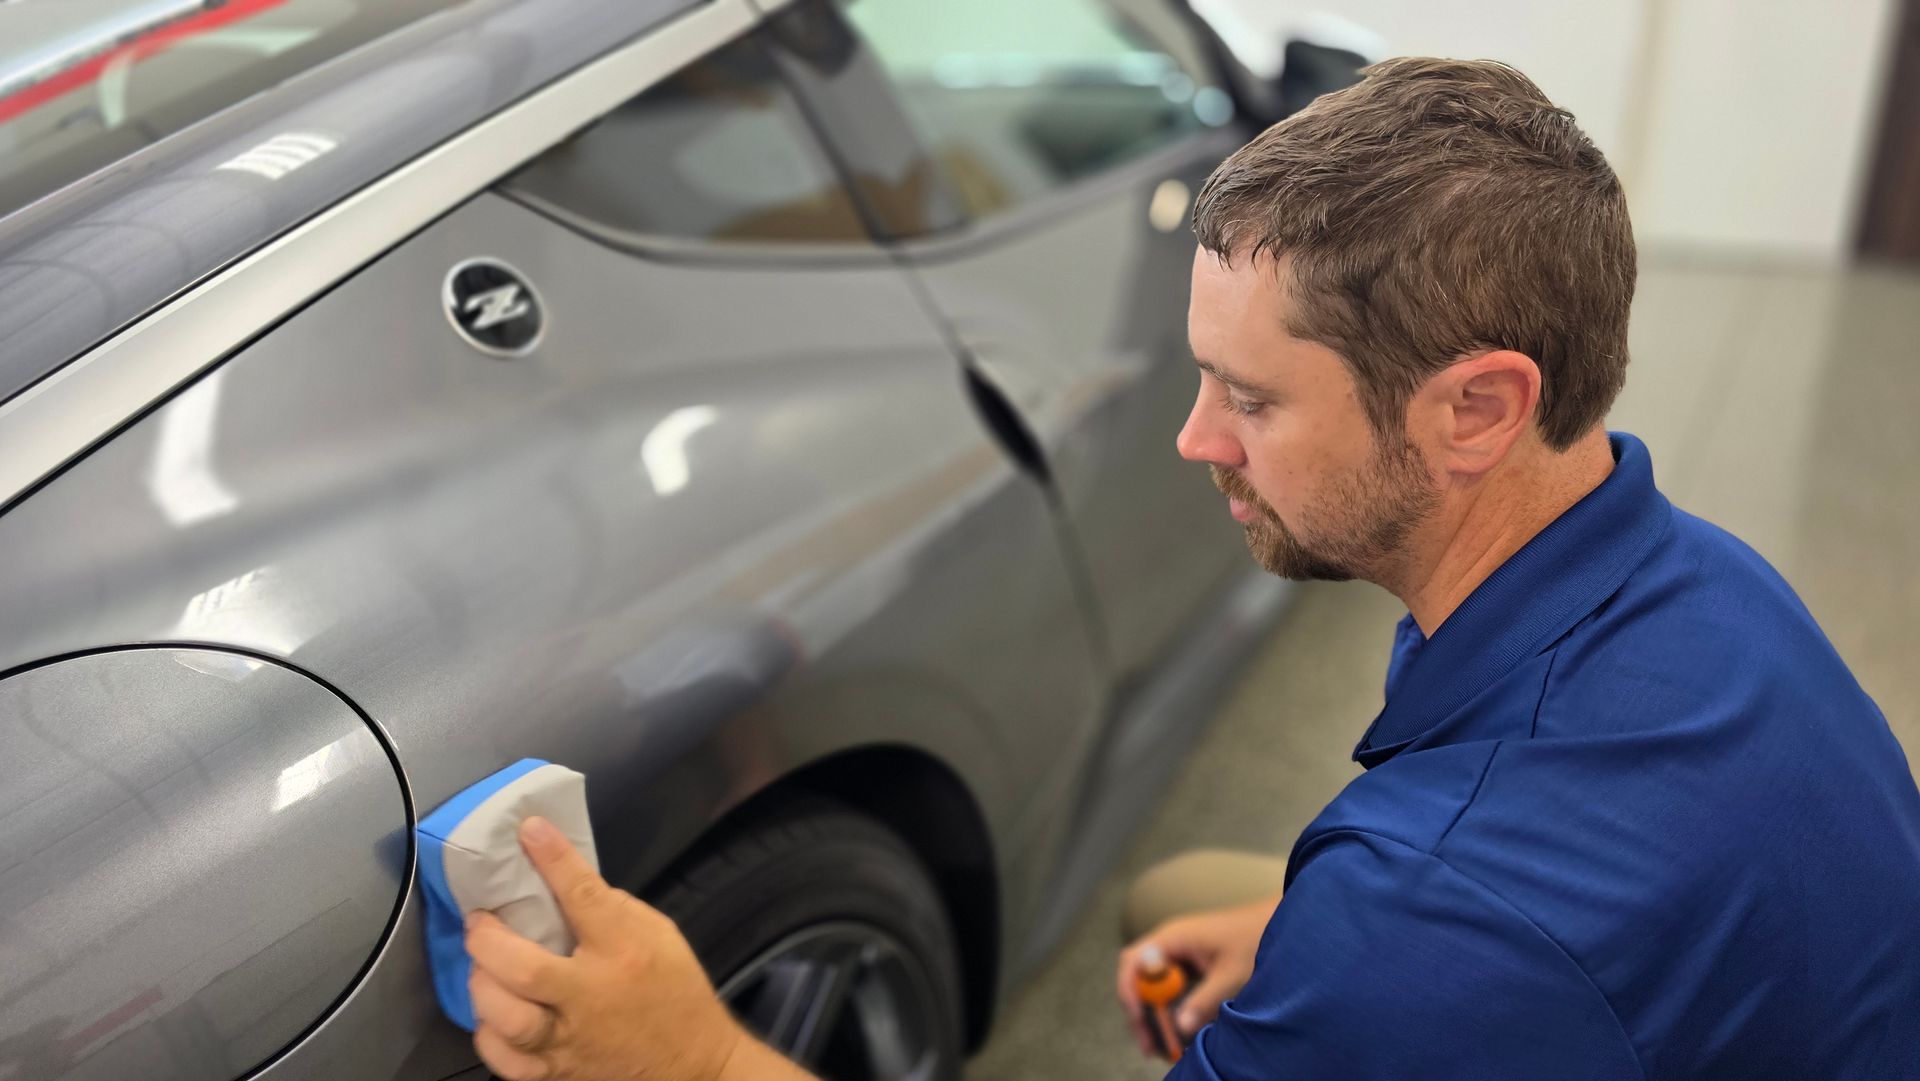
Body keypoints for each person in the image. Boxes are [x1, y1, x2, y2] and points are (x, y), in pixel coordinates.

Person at [460, 58, 1920, 1081]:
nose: (1192, 437)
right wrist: (1308, 932)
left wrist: (693, 1055)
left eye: (1254, 399)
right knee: (1193, 891)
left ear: (1477, 407)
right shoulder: (1707, 585)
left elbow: (1470, 924)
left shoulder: (1433, 918)